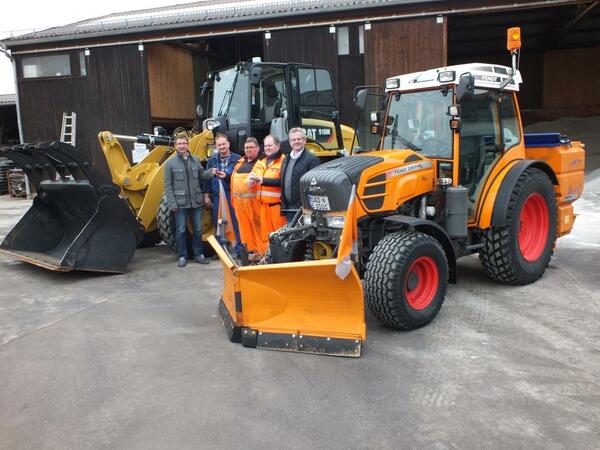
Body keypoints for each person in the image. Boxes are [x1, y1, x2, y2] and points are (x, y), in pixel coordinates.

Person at [164, 132, 216, 267]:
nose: (182, 146)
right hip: (180, 204)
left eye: (184, 143)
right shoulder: (170, 164)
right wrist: (172, 203)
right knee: (180, 231)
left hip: (196, 202)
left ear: (188, 145)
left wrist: (211, 172)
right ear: (175, 146)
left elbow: (202, 176)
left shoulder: (196, 160)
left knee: (198, 230)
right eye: (179, 144)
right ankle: (182, 256)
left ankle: (199, 254)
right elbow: (168, 185)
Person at [204, 133, 242, 256]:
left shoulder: (238, 159)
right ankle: (221, 252)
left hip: (232, 195)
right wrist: (206, 194)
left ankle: (239, 250)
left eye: (223, 144)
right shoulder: (212, 160)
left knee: (235, 222)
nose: (222, 146)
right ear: (216, 146)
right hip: (217, 195)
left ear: (228, 144)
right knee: (219, 223)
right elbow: (207, 178)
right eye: (219, 145)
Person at [251, 135, 287, 254]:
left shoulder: (284, 160)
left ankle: (280, 260)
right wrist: (250, 181)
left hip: (276, 207)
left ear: (277, 146)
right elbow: (251, 177)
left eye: (270, 145)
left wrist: (262, 180)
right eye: (265, 145)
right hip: (263, 207)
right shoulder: (261, 162)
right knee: (265, 237)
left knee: (279, 236)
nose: (267, 148)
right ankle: (266, 259)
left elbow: (283, 182)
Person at [230, 137, 263, 261]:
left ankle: (262, 253)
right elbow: (233, 182)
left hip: (254, 204)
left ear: (257, 149)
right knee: (244, 230)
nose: (248, 150)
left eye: (251, 147)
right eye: (246, 147)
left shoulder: (260, 163)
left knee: (258, 229)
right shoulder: (239, 163)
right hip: (239, 205)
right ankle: (250, 253)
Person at [279, 127, 320, 222]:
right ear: (290, 142)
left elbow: (315, 186)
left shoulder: (312, 159)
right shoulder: (286, 160)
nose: (296, 141)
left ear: (304, 141)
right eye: (293, 139)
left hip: (304, 210)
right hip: (289, 209)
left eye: (299, 139)